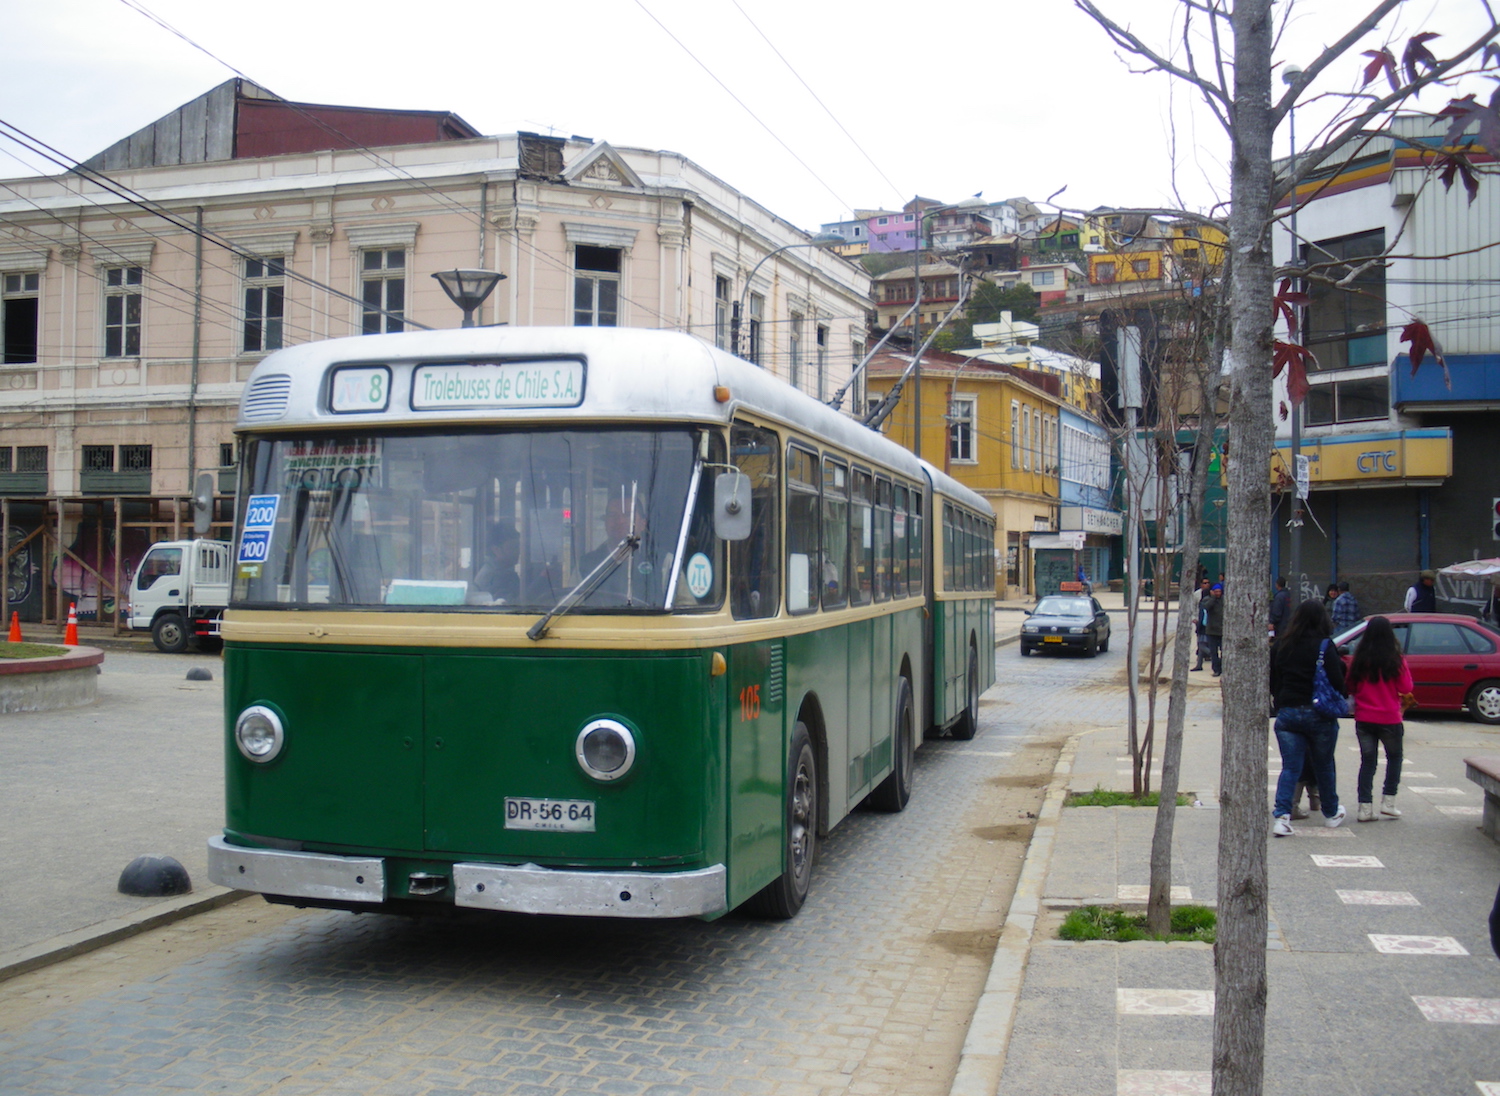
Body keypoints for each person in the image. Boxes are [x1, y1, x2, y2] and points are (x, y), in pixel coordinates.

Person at [1270, 599, 1349, 835]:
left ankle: (1282, 817)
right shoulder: (1325, 646)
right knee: (1324, 764)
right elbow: (1337, 681)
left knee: (1290, 767)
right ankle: (1331, 812)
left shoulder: (1281, 645)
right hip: (1319, 714)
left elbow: (1274, 681)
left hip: (1288, 713)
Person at [1346, 615, 1413, 822]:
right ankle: (1389, 802)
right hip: (1390, 718)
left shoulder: (1360, 659)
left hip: (1364, 718)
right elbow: (1406, 687)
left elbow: (1350, 686)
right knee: (1394, 758)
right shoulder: (1396, 659)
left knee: (1368, 762)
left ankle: (1365, 808)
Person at [472, 526, 520, 602]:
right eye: (512, 548)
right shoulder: (491, 577)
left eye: (518, 547)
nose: (517, 552)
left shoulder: (505, 570)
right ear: (496, 549)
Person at [1202, 582, 1225, 677]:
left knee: (1224, 651)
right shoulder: (1208, 600)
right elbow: (1206, 607)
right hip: (1212, 631)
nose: (1218, 593)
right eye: (1216, 591)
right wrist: (1213, 598)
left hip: (1222, 631)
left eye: (1219, 591)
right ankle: (1216, 669)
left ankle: (1223, 668)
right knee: (1213, 652)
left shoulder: (1224, 600)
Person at [1191, 577, 1213, 671]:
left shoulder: (1206, 602)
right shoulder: (1197, 595)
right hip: (1201, 623)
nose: (1206, 584)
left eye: (1208, 582)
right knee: (1200, 644)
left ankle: (1212, 655)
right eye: (1204, 583)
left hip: (1205, 625)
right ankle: (1199, 664)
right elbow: (1193, 607)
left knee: (1201, 645)